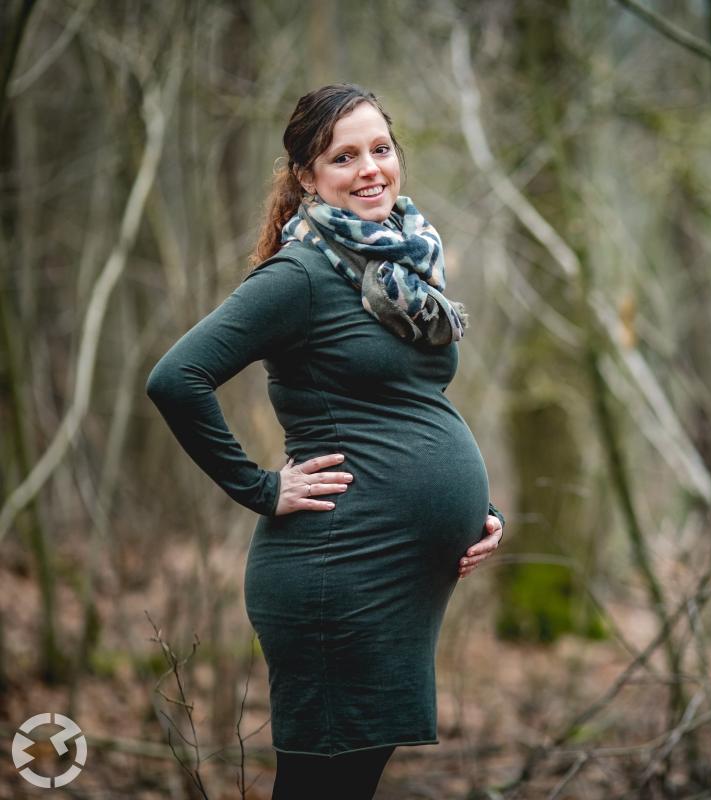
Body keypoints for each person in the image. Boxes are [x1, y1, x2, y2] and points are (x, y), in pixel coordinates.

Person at [145, 84, 506, 799]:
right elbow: (175, 377)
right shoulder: (300, 275)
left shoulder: (400, 270)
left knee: (350, 781)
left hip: (392, 579)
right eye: (344, 156)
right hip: (337, 574)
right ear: (308, 177)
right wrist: (262, 488)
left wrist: (477, 510)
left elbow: (405, 407)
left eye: (381, 148)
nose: (371, 168)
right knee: (322, 787)